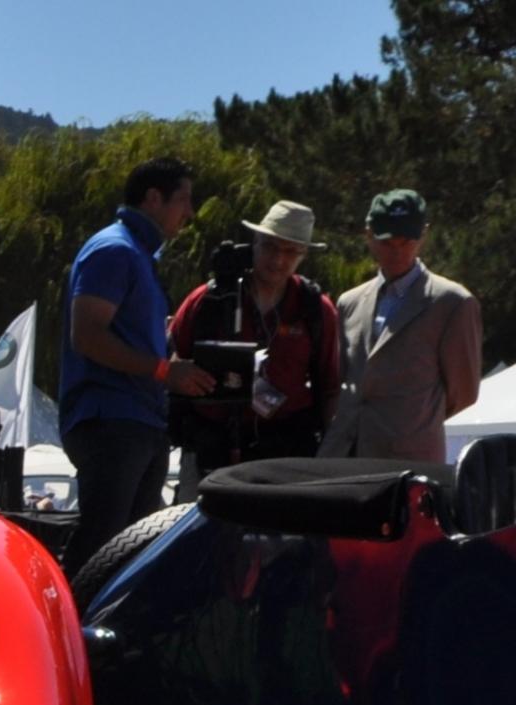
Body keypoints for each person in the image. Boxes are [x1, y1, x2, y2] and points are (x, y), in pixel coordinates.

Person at [57, 158, 215, 574]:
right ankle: (62, 630)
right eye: (183, 199)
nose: (190, 212)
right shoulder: (115, 249)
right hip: (111, 419)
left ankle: (103, 633)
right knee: (101, 543)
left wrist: (176, 367)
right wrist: (165, 372)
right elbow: (87, 336)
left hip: (138, 421)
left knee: (134, 549)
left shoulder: (137, 255)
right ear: (152, 198)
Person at [168, 200, 342, 497]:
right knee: (200, 539)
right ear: (254, 243)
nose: (278, 259)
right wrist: (183, 375)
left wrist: (328, 457)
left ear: (303, 255)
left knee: (281, 543)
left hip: (288, 453)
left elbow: (331, 388)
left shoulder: (315, 308)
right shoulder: (211, 299)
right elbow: (170, 357)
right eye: (271, 247)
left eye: (290, 251)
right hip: (211, 448)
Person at [319, 190, 482, 465]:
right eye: (387, 242)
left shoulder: (452, 303)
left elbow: (463, 393)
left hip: (409, 461)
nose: (397, 250)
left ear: (424, 235)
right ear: (369, 236)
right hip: (345, 456)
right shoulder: (350, 302)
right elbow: (347, 380)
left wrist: (411, 423)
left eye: (406, 241)